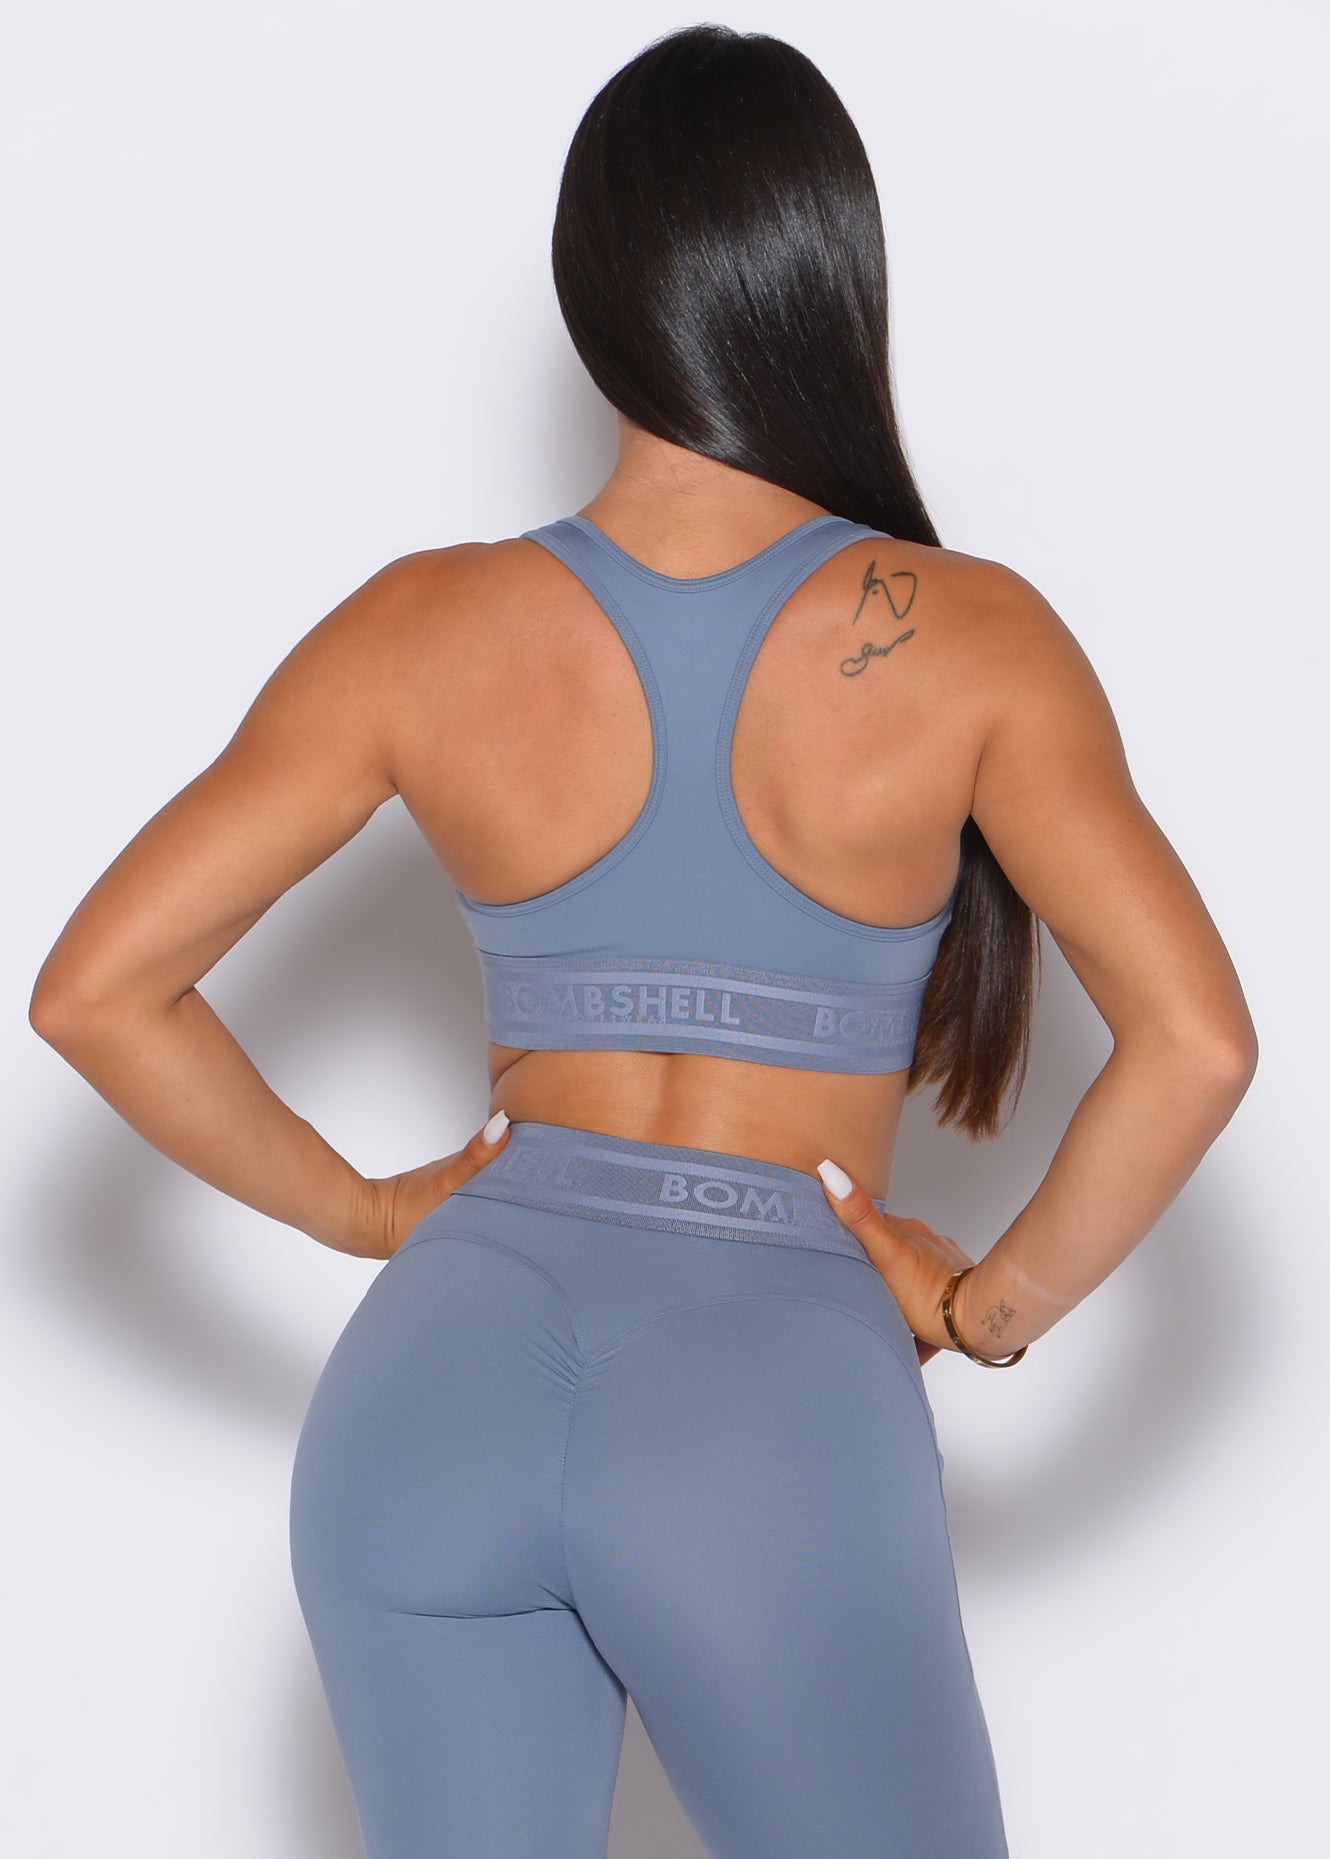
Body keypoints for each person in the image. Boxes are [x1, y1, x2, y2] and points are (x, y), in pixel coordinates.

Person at [28, 23, 1257, 1859]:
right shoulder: (969, 638)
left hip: (432, 1397)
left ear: (589, 287)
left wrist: (366, 1216)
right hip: (769, 1416)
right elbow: (1199, 1044)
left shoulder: (421, 627)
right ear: (831, 271)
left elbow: (94, 990)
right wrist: (981, 1309)